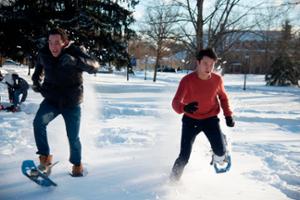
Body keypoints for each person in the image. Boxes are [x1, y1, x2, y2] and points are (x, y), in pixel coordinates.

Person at [31, 28, 99, 177]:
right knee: (38, 123)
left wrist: (76, 62)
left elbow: (94, 66)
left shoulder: (76, 51)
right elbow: (37, 72)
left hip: (72, 102)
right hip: (52, 100)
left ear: (65, 43)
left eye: (57, 43)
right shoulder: (44, 53)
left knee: (73, 136)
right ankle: (45, 159)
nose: (53, 47)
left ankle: (77, 164)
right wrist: (36, 82)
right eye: (50, 43)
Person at [170, 48, 235, 181]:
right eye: (205, 63)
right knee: (184, 157)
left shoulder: (217, 80)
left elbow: (223, 97)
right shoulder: (187, 80)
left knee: (220, 154)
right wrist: (185, 108)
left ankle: (221, 144)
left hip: (210, 120)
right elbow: (175, 102)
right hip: (190, 121)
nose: (209, 67)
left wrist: (228, 115)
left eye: (212, 64)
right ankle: (172, 182)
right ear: (198, 62)